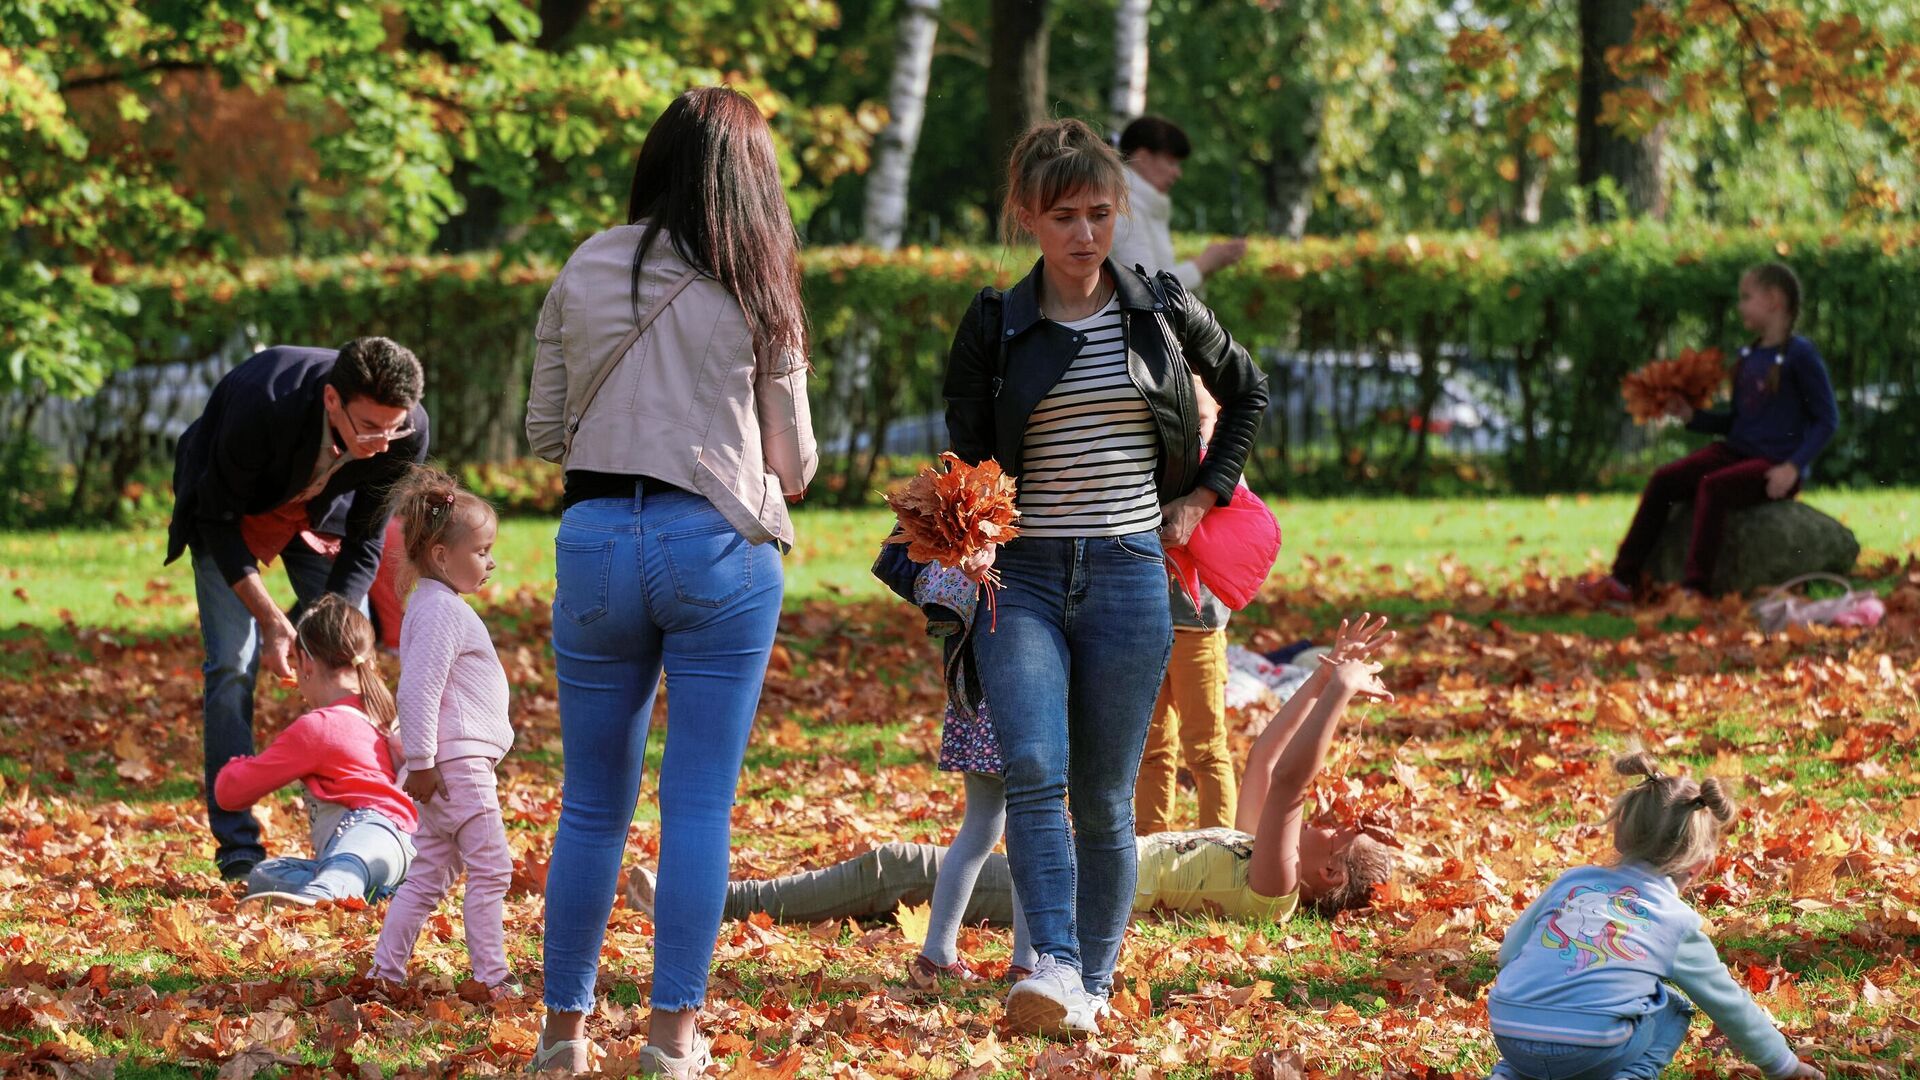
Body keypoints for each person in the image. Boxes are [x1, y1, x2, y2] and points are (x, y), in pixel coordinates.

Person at [945, 116, 1268, 1037]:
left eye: (1098, 214)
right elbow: (965, 455)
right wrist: (966, 532)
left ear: (1118, 212)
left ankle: (1092, 978)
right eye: (1063, 218)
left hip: (1131, 576)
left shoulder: (1162, 307)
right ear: (1027, 219)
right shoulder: (993, 326)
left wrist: (1205, 496)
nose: (1084, 236)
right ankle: (1049, 965)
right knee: (1036, 770)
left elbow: (1247, 390)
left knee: (1104, 797)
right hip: (1026, 578)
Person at [523, 86, 817, 1079]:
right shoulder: (755, 277)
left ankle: (563, 1036)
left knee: (591, 807)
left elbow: (545, 430)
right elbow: (797, 461)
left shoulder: (588, 262)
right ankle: (670, 1041)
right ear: (751, 180)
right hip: (719, 546)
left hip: (598, 537)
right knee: (697, 807)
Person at [631, 617, 1397, 942]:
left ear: (1330, 871)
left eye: (1340, 828)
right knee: (905, 873)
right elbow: (1266, 762)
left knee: (898, 868)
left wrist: (1336, 697)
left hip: (1074, 891)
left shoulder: (1274, 893)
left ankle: (713, 904)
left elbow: (1292, 785)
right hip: (1079, 863)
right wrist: (1324, 673)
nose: (1331, 813)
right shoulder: (1257, 852)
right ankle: (718, 901)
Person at [166, 338, 429, 881]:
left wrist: (328, 620)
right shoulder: (262, 404)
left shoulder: (406, 432)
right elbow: (214, 518)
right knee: (232, 666)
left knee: (351, 656)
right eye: (369, 428)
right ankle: (238, 848)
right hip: (231, 510)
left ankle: (371, 822)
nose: (383, 444)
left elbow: (367, 536)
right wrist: (270, 619)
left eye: (393, 428)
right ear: (332, 400)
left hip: (321, 513)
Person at [1487, 753, 1824, 1080]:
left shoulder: (1572, 882)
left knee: (1539, 1035)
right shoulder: (1675, 920)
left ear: (1620, 834)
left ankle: (1508, 1075)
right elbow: (1727, 1003)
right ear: (1700, 863)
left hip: (1510, 1031)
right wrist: (1782, 1065)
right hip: (1593, 1050)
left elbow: (1507, 956)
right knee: (1672, 1007)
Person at [1588, 263, 1838, 600]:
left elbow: (1827, 419)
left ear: (1774, 300)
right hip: (1736, 451)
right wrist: (1693, 416)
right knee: (1665, 479)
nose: (1740, 306)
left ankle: (1696, 588)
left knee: (1713, 487)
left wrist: (1792, 467)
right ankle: (1623, 579)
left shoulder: (1800, 355)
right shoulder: (1748, 356)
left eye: (1747, 297)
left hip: (1775, 464)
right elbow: (1736, 420)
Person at [368, 467, 518, 999]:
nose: (490, 560)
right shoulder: (439, 612)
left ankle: (385, 971)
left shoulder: (436, 607)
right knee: (493, 869)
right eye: (481, 550)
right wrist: (425, 761)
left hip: (448, 766)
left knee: (429, 874)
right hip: (456, 768)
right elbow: (418, 691)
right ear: (439, 556)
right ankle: (493, 978)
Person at [212, 596, 417, 905]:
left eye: (295, 663)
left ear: (306, 663)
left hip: (374, 835)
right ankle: (374, 895)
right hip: (408, 852)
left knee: (349, 858)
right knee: (265, 873)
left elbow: (231, 793)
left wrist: (237, 763)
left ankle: (329, 891)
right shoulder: (381, 713)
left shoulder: (319, 727)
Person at [902, 562, 1037, 987]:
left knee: (979, 826)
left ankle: (937, 951)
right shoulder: (1022, 548)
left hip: (974, 698)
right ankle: (1028, 961)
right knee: (1036, 827)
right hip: (1022, 698)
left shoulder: (962, 532)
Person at [1134, 381, 1237, 834]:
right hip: (1143, 630)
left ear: (1217, 423)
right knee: (1151, 749)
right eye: (1183, 421)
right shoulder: (1146, 464)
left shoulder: (1218, 478)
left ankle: (1221, 850)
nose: (1194, 432)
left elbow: (1241, 539)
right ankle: (1149, 853)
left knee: (1206, 748)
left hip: (1199, 630)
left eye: (1202, 422)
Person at [1108, 116, 1246, 296]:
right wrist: (1203, 263)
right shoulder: (1125, 207)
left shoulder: (1141, 204)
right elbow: (1145, 289)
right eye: (1171, 162)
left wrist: (1207, 266)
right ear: (1142, 158)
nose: (1177, 173)